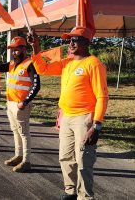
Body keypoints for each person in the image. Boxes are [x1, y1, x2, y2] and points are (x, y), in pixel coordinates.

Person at [28, 31, 109, 200]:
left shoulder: (93, 64)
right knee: (65, 157)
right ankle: (71, 191)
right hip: (67, 117)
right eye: (69, 41)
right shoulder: (67, 62)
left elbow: (102, 96)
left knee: (83, 160)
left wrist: (96, 125)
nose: (70, 44)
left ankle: (85, 196)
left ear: (86, 42)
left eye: (75, 40)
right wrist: (35, 47)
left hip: (84, 118)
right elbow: (43, 68)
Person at [0, 36, 40, 172]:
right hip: (10, 103)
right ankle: (18, 156)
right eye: (12, 50)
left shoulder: (30, 64)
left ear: (23, 49)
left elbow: (36, 85)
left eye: (16, 50)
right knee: (15, 131)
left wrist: (25, 102)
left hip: (21, 105)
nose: (14, 52)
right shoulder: (11, 64)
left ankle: (26, 161)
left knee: (24, 133)